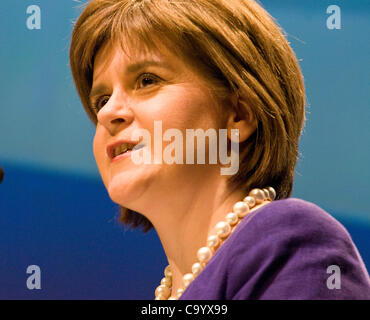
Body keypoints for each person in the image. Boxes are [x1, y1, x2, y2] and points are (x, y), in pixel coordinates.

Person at [69, 0, 370, 299]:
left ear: (239, 114)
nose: (108, 113)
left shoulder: (289, 244)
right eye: (102, 100)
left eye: (147, 80)